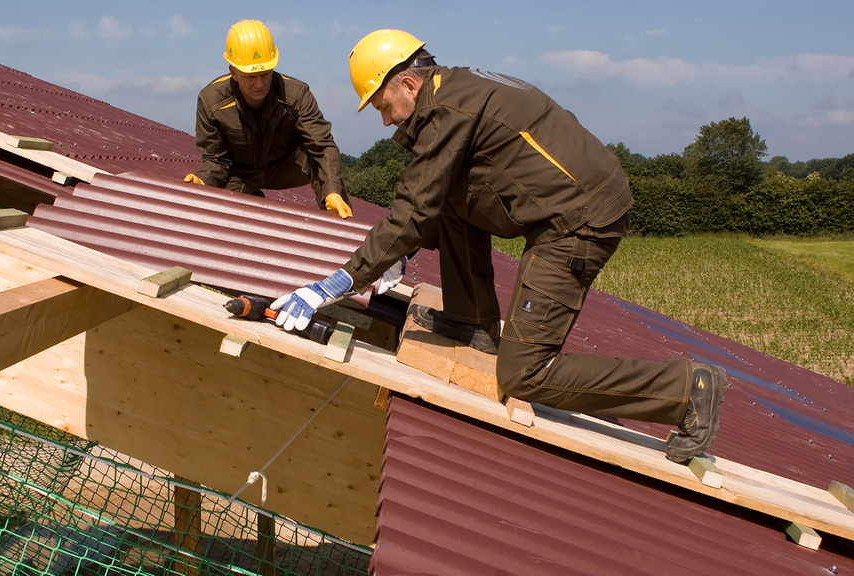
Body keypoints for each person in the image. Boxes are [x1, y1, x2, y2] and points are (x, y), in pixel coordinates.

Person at [271, 29, 726, 463]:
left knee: (525, 373)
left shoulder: (447, 111)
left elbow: (410, 210)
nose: (386, 120)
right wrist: (403, 250)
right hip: (567, 202)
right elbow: (431, 198)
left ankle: (686, 390)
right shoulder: (457, 89)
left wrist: (338, 282)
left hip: (578, 222)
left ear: (409, 84)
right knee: (447, 196)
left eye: (383, 106)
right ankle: (472, 322)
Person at [185, 19, 353, 219]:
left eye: (265, 74)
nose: (259, 84)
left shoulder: (297, 94)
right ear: (233, 72)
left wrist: (332, 190)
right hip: (240, 174)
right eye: (250, 77)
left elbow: (323, 146)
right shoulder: (211, 101)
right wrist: (202, 180)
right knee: (217, 210)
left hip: (284, 166)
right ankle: (252, 203)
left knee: (315, 154)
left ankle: (338, 216)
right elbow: (216, 160)